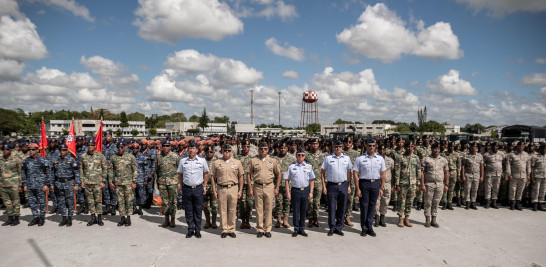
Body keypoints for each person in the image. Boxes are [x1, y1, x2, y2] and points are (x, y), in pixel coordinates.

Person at [353, 138, 386, 237]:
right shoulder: (360, 158)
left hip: (375, 184)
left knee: (372, 206)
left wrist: (381, 187)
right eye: (369, 145)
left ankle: (370, 227)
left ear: (376, 146)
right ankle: (364, 227)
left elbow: (383, 174)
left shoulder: (380, 158)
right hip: (364, 183)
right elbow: (355, 173)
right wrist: (358, 188)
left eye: (373, 145)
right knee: (364, 206)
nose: (371, 147)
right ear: (366, 146)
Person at [248, 142, 281, 238]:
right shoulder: (253, 160)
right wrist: (250, 188)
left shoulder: (272, 161)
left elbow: (279, 173)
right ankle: (260, 229)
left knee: (268, 208)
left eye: (265, 149)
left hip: (269, 186)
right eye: (261, 148)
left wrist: (277, 187)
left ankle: (268, 229)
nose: (263, 150)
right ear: (258, 150)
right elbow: (248, 174)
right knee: (259, 209)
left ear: (268, 149)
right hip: (257, 186)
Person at [177, 141, 209, 238]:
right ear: (188, 149)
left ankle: (198, 230)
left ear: (197, 149)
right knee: (188, 210)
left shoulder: (202, 160)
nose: (192, 150)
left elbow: (206, 173)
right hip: (187, 188)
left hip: (198, 188)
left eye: (194, 148)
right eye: (190, 148)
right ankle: (190, 229)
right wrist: (181, 187)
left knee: (198, 210)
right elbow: (180, 174)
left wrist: (204, 186)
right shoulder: (183, 161)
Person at [211, 144, 244, 238]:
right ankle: (224, 229)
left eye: (229, 151)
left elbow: (241, 177)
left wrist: (240, 190)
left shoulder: (237, 162)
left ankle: (231, 229)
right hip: (221, 188)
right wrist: (214, 189)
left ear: (232, 152)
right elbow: (213, 176)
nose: (227, 152)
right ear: (222, 151)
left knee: (232, 210)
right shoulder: (217, 162)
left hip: (233, 188)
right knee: (222, 210)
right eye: (225, 150)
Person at [321, 140, 352, 236]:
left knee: (342, 207)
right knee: (331, 207)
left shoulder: (346, 158)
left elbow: (349, 172)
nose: (338, 148)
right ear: (333, 148)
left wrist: (349, 185)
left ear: (342, 148)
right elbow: (322, 173)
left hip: (343, 185)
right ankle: (332, 227)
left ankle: (339, 227)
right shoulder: (328, 158)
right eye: (336, 146)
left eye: (339, 146)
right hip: (332, 185)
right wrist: (324, 186)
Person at [285, 148, 315, 237]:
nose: (300, 157)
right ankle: (296, 228)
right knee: (295, 210)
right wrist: (288, 192)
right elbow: (287, 180)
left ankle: (302, 228)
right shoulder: (291, 167)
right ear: (296, 156)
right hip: (295, 191)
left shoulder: (308, 166)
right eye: (299, 155)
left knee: (303, 210)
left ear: (304, 156)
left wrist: (311, 192)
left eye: (302, 155)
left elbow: (312, 179)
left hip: (305, 190)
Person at [22, 143, 52, 226]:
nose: (31, 151)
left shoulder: (43, 160)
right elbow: (24, 173)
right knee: (32, 203)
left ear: (37, 150)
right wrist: (24, 184)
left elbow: (48, 173)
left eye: (33, 149)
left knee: (42, 202)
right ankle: (35, 217)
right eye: (29, 150)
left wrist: (46, 184)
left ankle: (42, 217)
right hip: (30, 185)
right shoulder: (26, 161)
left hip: (40, 185)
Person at [51, 144, 80, 227]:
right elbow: (52, 173)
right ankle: (64, 218)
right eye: (60, 150)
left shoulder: (72, 160)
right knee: (61, 202)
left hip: (69, 183)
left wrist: (77, 184)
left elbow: (76, 173)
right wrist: (52, 184)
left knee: (70, 202)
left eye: (64, 150)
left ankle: (70, 218)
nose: (62, 151)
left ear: (67, 151)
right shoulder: (55, 160)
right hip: (58, 184)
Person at [109, 142, 138, 227]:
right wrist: (110, 182)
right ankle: (122, 218)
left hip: (128, 183)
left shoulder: (130, 157)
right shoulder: (113, 157)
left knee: (128, 200)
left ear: (124, 147)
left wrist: (134, 181)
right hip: (118, 183)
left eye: (121, 147)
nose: (120, 149)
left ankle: (128, 218)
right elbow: (110, 170)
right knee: (120, 201)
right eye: (118, 147)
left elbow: (134, 170)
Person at [420, 143, 449, 228]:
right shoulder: (426, 159)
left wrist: (446, 184)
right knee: (428, 202)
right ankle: (427, 220)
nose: (436, 150)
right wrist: (422, 184)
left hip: (440, 184)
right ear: (431, 149)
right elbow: (422, 172)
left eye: (438, 149)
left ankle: (434, 220)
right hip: (429, 183)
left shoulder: (444, 160)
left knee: (436, 202)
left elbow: (446, 172)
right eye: (435, 148)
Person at [80, 140, 107, 226]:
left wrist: (103, 181)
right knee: (90, 201)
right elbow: (81, 169)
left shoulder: (100, 156)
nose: (90, 146)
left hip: (97, 182)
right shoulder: (83, 156)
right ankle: (93, 218)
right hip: (87, 182)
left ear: (95, 146)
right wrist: (82, 181)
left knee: (98, 201)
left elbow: (104, 168)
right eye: (89, 145)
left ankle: (99, 218)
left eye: (92, 145)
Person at [394, 141, 420, 228]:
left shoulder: (416, 158)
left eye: (411, 146)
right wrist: (397, 184)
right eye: (408, 146)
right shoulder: (400, 157)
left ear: (413, 147)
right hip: (403, 183)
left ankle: (407, 218)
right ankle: (400, 218)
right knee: (402, 201)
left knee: (410, 201)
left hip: (412, 183)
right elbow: (397, 171)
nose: (410, 148)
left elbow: (418, 171)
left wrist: (418, 183)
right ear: (405, 147)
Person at [156, 140, 180, 228]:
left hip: (173, 183)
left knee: (173, 202)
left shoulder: (175, 156)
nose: (165, 147)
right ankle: (166, 220)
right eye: (164, 145)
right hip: (162, 183)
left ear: (170, 147)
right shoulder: (159, 157)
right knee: (164, 202)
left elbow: (180, 170)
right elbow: (156, 170)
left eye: (167, 145)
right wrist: (157, 182)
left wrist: (179, 183)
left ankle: (173, 219)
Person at [0, 143, 23, 226]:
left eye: (7, 149)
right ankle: (10, 218)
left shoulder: (16, 159)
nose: (5, 151)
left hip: (14, 184)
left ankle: (16, 219)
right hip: (3, 184)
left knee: (15, 201)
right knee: (7, 202)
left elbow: (20, 172)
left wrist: (20, 185)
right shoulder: (0, 159)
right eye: (3, 149)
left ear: (10, 150)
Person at [274, 142, 295, 228]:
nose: (283, 150)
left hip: (288, 185)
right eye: (281, 148)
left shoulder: (292, 159)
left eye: (284, 148)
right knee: (279, 203)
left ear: (287, 149)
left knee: (287, 203)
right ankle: (279, 220)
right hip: (277, 185)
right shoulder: (274, 159)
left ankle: (285, 220)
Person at [505, 141, 531, 210]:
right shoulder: (511, 154)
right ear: (517, 146)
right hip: (514, 175)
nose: (521, 147)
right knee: (512, 190)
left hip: (523, 176)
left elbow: (528, 165)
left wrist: (528, 175)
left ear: (524, 147)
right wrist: (509, 174)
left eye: (522, 146)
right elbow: (508, 165)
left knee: (520, 190)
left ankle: (518, 203)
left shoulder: (526, 155)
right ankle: (512, 203)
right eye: (519, 146)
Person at [305, 138, 325, 228]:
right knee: (310, 202)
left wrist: (325, 183)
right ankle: (310, 219)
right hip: (309, 182)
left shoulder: (323, 155)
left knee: (317, 202)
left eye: (316, 144)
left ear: (318, 145)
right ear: (310, 145)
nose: (314, 145)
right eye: (313, 144)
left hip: (319, 182)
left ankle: (316, 219)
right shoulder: (306, 155)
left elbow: (325, 170)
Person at [374, 144, 394, 227]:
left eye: (383, 149)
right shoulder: (374, 159)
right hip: (377, 182)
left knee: (386, 201)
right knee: (377, 201)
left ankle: (382, 217)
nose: (382, 151)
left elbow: (392, 172)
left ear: (385, 150)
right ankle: (377, 218)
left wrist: (392, 185)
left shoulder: (390, 160)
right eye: (380, 149)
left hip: (387, 183)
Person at [236, 139, 254, 229]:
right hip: (240, 184)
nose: (245, 148)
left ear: (249, 148)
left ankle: (248, 220)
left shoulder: (253, 158)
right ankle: (243, 221)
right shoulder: (237, 158)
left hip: (251, 183)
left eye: (247, 146)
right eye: (244, 146)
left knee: (250, 202)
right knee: (242, 203)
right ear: (241, 147)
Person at [461, 142, 484, 210]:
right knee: (467, 189)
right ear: (470, 148)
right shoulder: (466, 156)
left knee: (475, 189)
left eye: (476, 147)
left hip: (477, 174)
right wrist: (463, 176)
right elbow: (463, 166)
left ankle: (473, 202)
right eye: (473, 147)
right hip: (468, 174)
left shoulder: (480, 156)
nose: (475, 148)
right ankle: (467, 202)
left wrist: (482, 176)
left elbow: (482, 167)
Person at [483, 142, 505, 209]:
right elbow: (483, 163)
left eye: (496, 146)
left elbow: (503, 163)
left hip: (498, 174)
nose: (495, 148)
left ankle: (494, 202)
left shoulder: (502, 154)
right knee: (488, 188)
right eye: (493, 146)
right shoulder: (487, 154)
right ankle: (487, 202)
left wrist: (502, 172)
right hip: (489, 174)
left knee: (496, 188)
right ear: (491, 147)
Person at [203, 147, 219, 229]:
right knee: (205, 205)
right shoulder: (202, 161)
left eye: (211, 151)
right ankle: (207, 221)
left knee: (215, 205)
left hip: (214, 185)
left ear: (213, 152)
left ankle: (214, 222)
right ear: (205, 152)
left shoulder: (217, 162)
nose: (209, 153)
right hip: (205, 185)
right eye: (207, 152)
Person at [530, 143, 545, 211]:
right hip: (537, 176)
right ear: (540, 149)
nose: (544, 150)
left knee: (543, 191)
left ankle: (540, 203)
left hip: (545, 177)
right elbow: (532, 168)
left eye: (545, 149)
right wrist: (532, 178)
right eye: (543, 148)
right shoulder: (535, 157)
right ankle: (535, 203)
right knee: (536, 190)